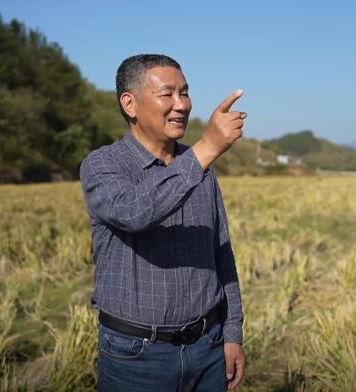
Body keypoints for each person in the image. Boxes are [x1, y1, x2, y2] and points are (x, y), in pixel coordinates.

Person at [80, 54, 247, 391]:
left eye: (184, 93)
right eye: (167, 94)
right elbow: (134, 213)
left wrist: (232, 333)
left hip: (208, 347)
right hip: (136, 355)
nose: (180, 105)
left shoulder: (201, 168)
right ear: (130, 104)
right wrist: (207, 148)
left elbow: (221, 252)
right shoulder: (102, 165)